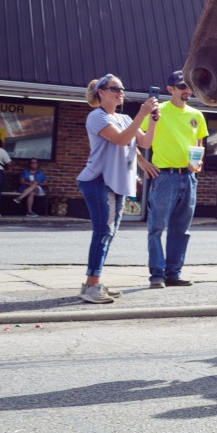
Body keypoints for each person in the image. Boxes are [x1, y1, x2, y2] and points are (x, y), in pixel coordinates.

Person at [75, 74, 157, 304]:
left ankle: (94, 282)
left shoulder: (123, 118)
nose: (121, 91)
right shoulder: (96, 117)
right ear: (101, 92)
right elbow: (121, 140)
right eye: (115, 88)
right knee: (103, 232)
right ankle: (91, 286)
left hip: (116, 181)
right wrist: (141, 114)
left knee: (108, 234)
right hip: (98, 180)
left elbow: (145, 142)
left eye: (122, 88)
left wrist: (151, 120)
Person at [137, 71, 208, 288]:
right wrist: (142, 162)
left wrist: (199, 161)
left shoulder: (197, 115)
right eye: (181, 87)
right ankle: (157, 275)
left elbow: (199, 144)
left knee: (181, 230)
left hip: (189, 178)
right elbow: (130, 135)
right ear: (170, 90)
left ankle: (173, 274)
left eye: (189, 87)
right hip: (164, 176)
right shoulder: (157, 111)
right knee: (157, 228)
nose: (187, 91)